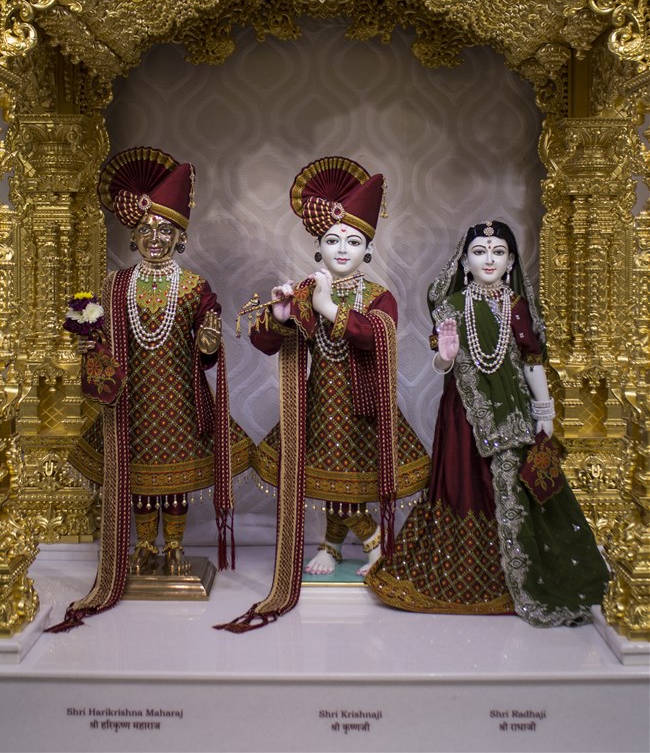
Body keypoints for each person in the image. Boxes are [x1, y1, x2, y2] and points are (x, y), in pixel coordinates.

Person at [217, 156, 430, 632]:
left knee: (351, 476)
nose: (342, 249)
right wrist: (282, 316)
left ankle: (371, 542)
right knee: (330, 476)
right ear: (318, 246)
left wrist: (329, 307)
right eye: (332, 240)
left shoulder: (378, 296)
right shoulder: (308, 288)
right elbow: (265, 343)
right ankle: (339, 544)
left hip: (365, 405)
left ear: (368, 249)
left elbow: (377, 337)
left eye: (353, 241)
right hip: (319, 404)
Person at [366, 219, 609, 627]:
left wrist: (544, 412)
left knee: (517, 490)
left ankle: (517, 578)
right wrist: (445, 355)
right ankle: (468, 575)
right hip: (463, 414)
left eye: (498, 252)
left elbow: (532, 361)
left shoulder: (517, 306)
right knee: (464, 482)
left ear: (511, 261)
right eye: (479, 252)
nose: (489, 259)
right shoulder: (451, 306)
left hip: (513, 415)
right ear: (465, 262)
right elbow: (442, 364)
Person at [49, 146, 252, 631]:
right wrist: (90, 344)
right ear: (134, 235)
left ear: (180, 237)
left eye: (164, 231)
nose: (154, 239)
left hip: (179, 399)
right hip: (132, 402)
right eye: (145, 230)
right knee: (140, 478)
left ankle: (176, 546)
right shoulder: (116, 284)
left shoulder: (194, 286)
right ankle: (142, 546)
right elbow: (101, 339)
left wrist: (208, 339)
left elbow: (207, 344)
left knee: (174, 481)